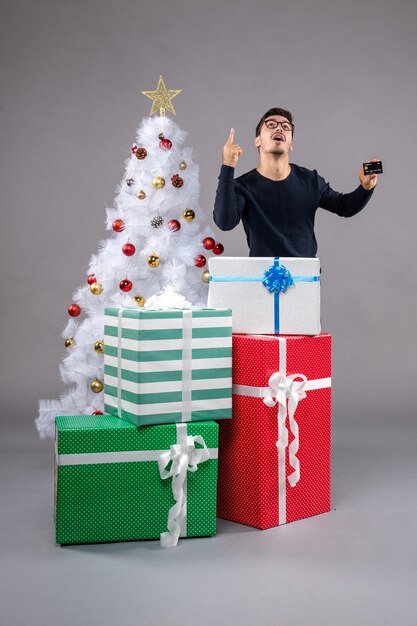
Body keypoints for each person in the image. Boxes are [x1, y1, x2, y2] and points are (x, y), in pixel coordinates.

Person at [213, 107, 378, 257]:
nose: (279, 128)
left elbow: (345, 207)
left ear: (291, 144)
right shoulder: (243, 186)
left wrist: (365, 187)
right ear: (257, 140)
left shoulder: (310, 181)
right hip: (262, 278)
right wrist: (228, 166)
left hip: (304, 278)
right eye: (271, 124)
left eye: (286, 127)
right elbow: (225, 222)